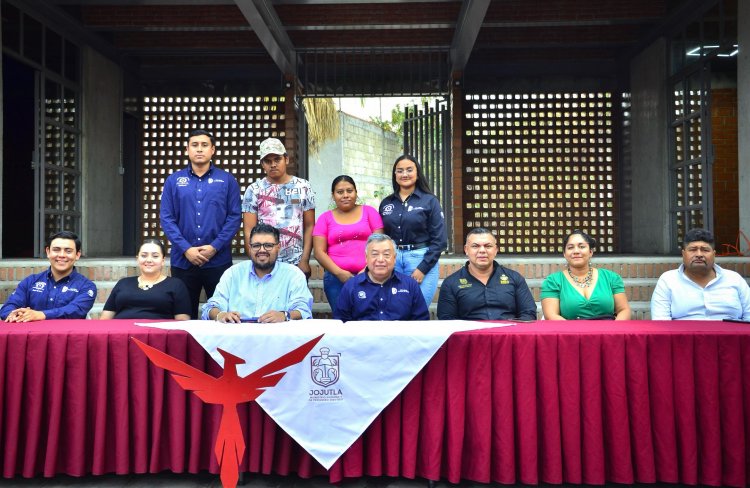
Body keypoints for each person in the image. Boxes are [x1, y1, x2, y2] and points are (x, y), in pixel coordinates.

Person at [160, 129, 242, 319]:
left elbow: (234, 217)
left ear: (212, 150)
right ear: (187, 149)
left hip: (218, 260)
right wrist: (186, 249)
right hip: (183, 261)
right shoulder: (174, 181)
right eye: (194, 145)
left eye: (204, 145)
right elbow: (167, 218)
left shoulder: (227, 180)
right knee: (184, 316)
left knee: (222, 314)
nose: (199, 149)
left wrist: (214, 247)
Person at [202, 223, 312, 323]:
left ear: (278, 247)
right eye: (256, 245)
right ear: (250, 248)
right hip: (237, 338)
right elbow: (212, 306)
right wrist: (221, 315)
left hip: (278, 339)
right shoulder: (233, 273)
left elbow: (303, 308)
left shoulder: (293, 275)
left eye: (268, 245)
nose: (262, 250)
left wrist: (284, 315)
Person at [242, 137, 316, 278]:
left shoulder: (303, 187)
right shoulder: (254, 190)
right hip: (265, 262)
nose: (273, 165)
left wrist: (305, 260)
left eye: (277, 159)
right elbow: (248, 230)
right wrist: (255, 260)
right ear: (262, 164)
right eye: (268, 161)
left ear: (286, 159)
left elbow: (310, 226)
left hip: (296, 263)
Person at [379, 155, 446, 306]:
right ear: (394, 174)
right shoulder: (386, 203)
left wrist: (422, 268)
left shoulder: (430, 201)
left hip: (421, 259)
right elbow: (381, 237)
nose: (404, 174)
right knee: (394, 308)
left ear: (417, 173)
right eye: (400, 171)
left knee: (417, 308)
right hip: (393, 261)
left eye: (409, 170)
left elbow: (440, 240)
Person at [313, 175, 384, 313]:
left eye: (349, 191)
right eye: (340, 192)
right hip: (336, 279)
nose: (345, 195)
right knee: (343, 319)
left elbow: (379, 244)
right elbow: (318, 252)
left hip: (371, 275)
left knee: (371, 317)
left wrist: (366, 271)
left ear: (356, 193)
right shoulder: (325, 218)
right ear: (333, 195)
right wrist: (340, 274)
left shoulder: (370, 212)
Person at [437, 228, 537, 321]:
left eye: (488, 246)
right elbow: (447, 320)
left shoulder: (514, 278)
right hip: (470, 337)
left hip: (507, 335)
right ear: (466, 250)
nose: (482, 250)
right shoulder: (451, 283)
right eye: (475, 246)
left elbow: (529, 313)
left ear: (496, 250)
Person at [651, 228, 750, 320]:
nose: (699, 254)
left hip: (731, 337)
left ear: (714, 254)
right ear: (683, 254)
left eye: (705, 250)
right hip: (684, 337)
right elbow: (660, 320)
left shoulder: (734, 279)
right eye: (693, 250)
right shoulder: (668, 280)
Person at [1, 231, 96, 322]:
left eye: (68, 251)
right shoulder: (30, 282)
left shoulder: (87, 286)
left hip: (68, 337)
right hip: (32, 336)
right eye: (56, 250)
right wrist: (16, 315)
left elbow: (75, 311)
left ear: (77, 255)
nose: (62, 255)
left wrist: (40, 315)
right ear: (48, 252)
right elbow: (8, 307)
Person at [334, 234, 430, 322]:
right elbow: (341, 322)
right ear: (366, 258)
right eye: (375, 254)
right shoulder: (352, 286)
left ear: (394, 258)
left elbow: (421, 321)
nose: (380, 260)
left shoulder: (410, 285)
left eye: (386, 254)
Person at [541, 230, 631, 320]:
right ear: (564, 254)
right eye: (570, 247)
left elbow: (624, 310)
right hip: (570, 332)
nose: (576, 251)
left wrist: (614, 331)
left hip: (608, 331)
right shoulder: (553, 281)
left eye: (582, 246)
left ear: (591, 252)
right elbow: (551, 315)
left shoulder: (611, 278)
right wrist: (576, 333)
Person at [99, 239, 191, 320]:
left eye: (155, 256)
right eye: (144, 255)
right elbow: (105, 318)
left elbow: (182, 321)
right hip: (121, 335)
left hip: (157, 336)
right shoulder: (123, 283)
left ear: (163, 261)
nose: (149, 260)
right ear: (137, 259)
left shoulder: (175, 285)